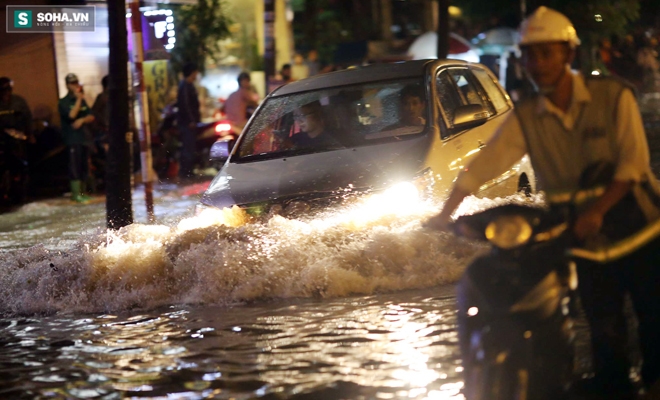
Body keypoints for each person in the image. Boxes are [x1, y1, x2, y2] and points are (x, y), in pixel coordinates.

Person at [425, 7, 660, 399]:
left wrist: (597, 211)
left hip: (641, 231)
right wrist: (444, 214)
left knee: (653, 322)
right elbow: (484, 165)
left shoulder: (613, 96)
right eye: (531, 55)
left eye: (547, 53)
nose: (538, 64)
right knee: (604, 330)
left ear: (568, 54)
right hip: (586, 242)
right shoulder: (527, 117)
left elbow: (633, 167)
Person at [58, 73, 95, 203]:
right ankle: (75, 194)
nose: (75, 86)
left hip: (83, 138)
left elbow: (91, 116)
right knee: (74, 166)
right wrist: (79, 99)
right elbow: (71, 115)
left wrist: (82, 119)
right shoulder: (64, 102)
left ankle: (83, 192)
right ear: (67, 85)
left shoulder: (82, 100)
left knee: (84, 165)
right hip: (72, 139)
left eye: (76, 83)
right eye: (72, 83)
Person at [176, 62, 201, 180]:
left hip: (189, 122)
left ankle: (188, 171)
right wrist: (191, 120)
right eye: (195, 72)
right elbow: (186, 106)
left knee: (190, 147)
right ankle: (185, 173)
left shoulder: (188, 85)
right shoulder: (185, 86)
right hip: (187, 123)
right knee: (188, 147)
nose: (197, 74)